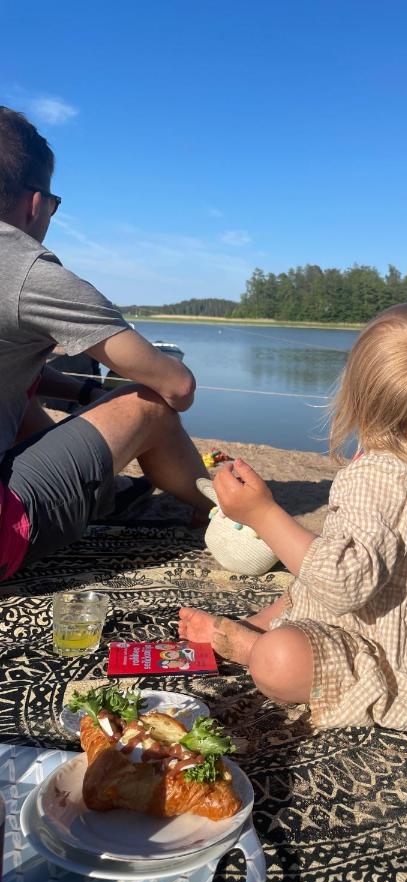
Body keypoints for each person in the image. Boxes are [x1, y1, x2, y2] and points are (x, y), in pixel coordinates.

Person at [180, 303, 407, 732]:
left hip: (383, 648)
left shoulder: (376, 476)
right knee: (306, 575)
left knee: (277, 659)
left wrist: (262, 514)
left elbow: (344, 584)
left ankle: (251, 646)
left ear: (357, 394)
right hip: (393, 616)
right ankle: (255, 625)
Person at [0, 106, 213, 580]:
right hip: (2, 539)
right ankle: (228, 511)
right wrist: (123, 393)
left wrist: (83, 392)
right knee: (148, 403)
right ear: (36, 204)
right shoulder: (24, 268)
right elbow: (177, 387)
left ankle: (102, 492)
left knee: (19, 392)